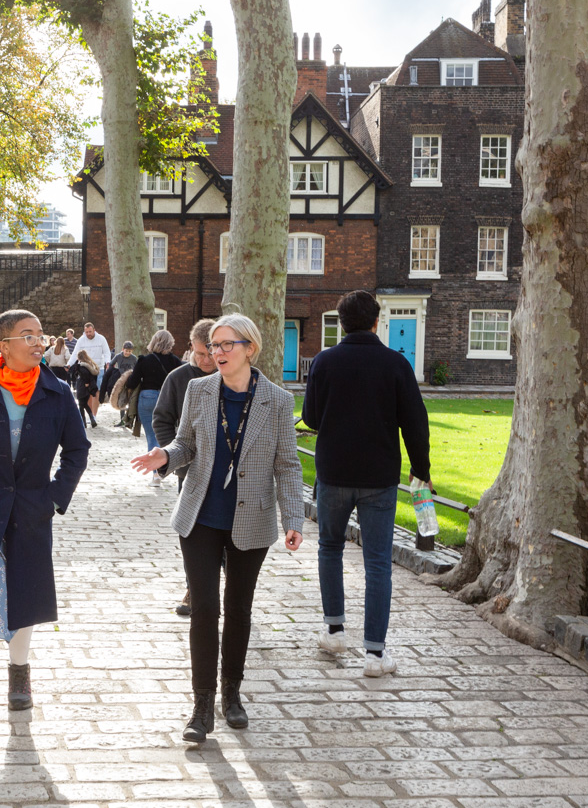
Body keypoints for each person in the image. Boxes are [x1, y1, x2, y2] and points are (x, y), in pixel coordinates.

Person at [132, 314, 306, 744]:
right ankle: (201, 703)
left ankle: (232, 693)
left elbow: (287, 464)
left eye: (228, 344)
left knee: (239, 610)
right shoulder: (198, 389)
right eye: (213, 344)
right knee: (206, 609)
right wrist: (166, 457)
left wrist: (294, 519)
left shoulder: (278, 401)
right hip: (201, 516)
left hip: (252, 519)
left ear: (250, 347)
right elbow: (186, 443)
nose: (217, 352)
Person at [0, 309, 90, 747]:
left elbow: (77, 451)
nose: (39, 342)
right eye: (29, 335)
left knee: (22, 597)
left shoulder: (56, 391)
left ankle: (19, 670)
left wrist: (52, 498)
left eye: (41, 334)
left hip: (29, 514)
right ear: (3, 345)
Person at [302, 290, 431, 679]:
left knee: (330, 548)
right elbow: (415, 421)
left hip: (335, 471)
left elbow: (310, 417)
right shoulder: (395, 363)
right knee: (378, 563)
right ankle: (375, 654)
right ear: (378, 321)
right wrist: (420, 469)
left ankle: (335, 630)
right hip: (379, 475)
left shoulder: (325, 361)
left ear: (341, 323)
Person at [153, 318, 218, 617]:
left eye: (211, 354)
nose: (205, 361)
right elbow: (162, 419)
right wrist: (174, 460)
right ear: (190, 346)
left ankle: (227, 589)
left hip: (229, 473)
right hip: (190, 471)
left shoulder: (231, 374)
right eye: (199, 354)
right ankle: (194, 587)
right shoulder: (178, 378)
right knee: (193, 535)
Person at [126, 330, 182, 464]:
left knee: (152, 436)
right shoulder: (175, 361)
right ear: (170, 343)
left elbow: (132, 383)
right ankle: (165, 466)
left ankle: (155, 473)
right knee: (167, 435)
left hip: (147, 397)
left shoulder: (144, 360)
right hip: (167, 398)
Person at [69, 322, 112, 422]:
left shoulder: (101, 339)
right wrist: (69, 364)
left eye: (90, 332)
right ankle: (90, 415)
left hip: (98, 368)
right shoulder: (81, 340)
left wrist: (108, 362)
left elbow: (106, 352)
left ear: (94, 330)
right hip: (85, 368)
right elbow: (75, 353)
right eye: (86, 332)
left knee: (95, 391)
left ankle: (94, 414)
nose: (88, 334)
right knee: (86, 393)